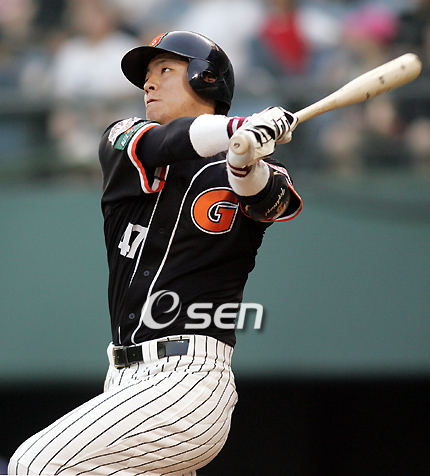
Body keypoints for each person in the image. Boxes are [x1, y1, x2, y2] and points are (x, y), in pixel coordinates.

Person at [8, 30, 302, 475]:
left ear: (205, 78)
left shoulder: (260, 167)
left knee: (35, 464)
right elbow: (169, 143)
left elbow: (268, 201)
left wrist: (245, 162)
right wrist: (238, 127)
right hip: (122, 379)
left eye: (165, 70)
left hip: (189, 378)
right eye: (147, 74)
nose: (148, 83)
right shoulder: (122, 138)